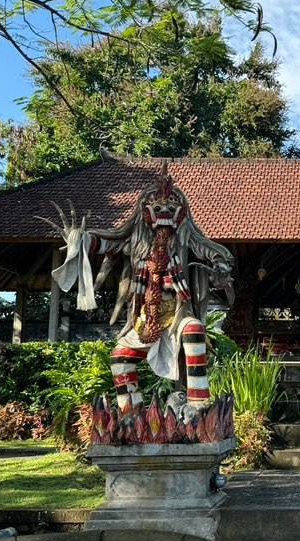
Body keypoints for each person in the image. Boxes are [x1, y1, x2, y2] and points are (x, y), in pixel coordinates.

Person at [50, 163, 234, 422]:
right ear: (146, 211)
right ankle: (131, 413)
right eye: (158, 208)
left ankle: (198, 402)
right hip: (145, 317)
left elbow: (211, 250)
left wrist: (221, 267)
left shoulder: (184, 236)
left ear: (181, 213)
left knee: (194, 331)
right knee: (120, 359)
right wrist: (79, 238)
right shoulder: (135, 239)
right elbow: (107, 242)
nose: (164, 213)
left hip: (178, 313)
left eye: (171, 209)